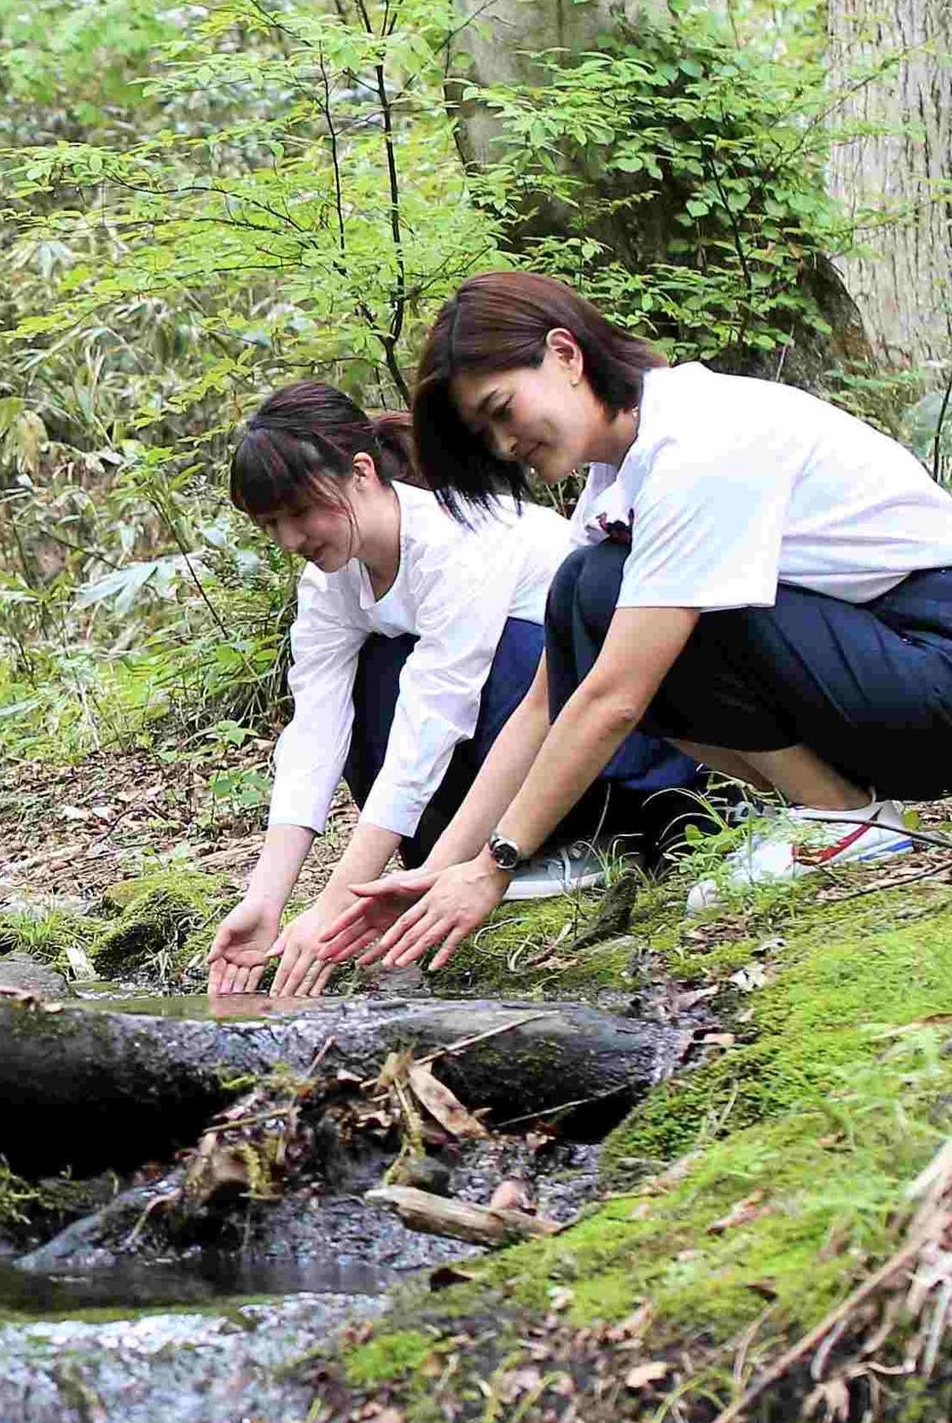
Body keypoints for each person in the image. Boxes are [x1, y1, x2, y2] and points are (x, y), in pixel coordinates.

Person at [321, 271, 952, 974]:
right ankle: (829, 812)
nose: (505, 443)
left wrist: (498, 866)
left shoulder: (698, 441)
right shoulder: (621, 480)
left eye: (503, 409)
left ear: (565, 354)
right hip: (875, 664)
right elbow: (548, 698)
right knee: (584, 595)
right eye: (487, 433)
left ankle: (843, 818)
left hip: (946, 673)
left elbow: (614, 696)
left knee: (604, 594)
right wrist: (446, 871)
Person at [201, 380, 706, 1006]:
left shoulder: (451, 539)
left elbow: (434, 721)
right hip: (495, 773)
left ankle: (593, 843)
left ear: (361, 471)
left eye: (299, 512)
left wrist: (332, 908)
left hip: (624, 754)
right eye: (271, 524)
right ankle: (464, 862)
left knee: (504, 651)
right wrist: (267, 900)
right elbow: (314, 733)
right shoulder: (332, 583)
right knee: (375, 676)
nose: (289, 538)